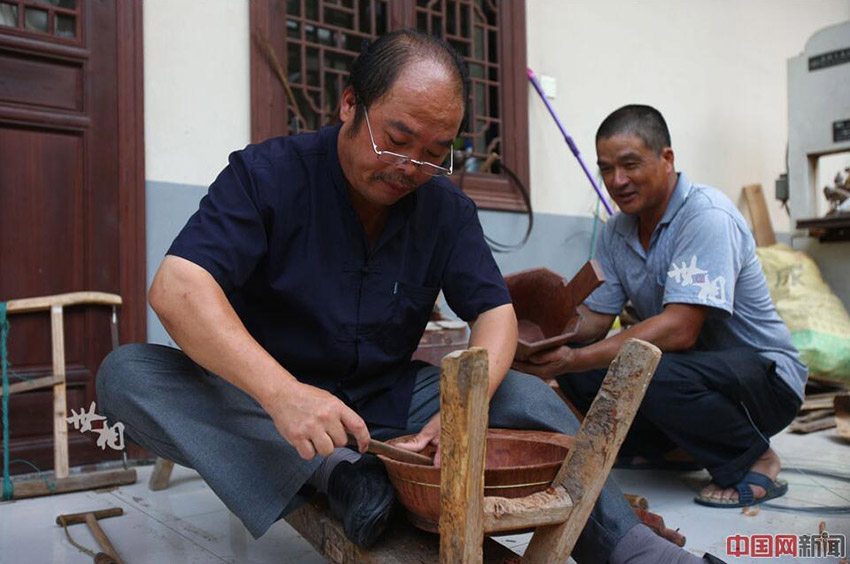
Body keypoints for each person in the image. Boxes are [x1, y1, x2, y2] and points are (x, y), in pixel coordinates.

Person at [97, 34, 715, 563]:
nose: (410, 165)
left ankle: (627, 546)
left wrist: (460, 410)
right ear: (349, 105)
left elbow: (495, 313)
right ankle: (336, 474)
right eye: (397, 139)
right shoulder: (267, 175)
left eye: (435, 152)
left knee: (527, 395)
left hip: (390, 405)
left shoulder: (443, 207)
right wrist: (282, 394)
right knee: (127, 375)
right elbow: (178, 287)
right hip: (268, 403)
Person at [514, 104, 807, 510]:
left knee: (640, 366)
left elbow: (680, 329)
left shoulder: (707, 216)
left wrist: (573, 358)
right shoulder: (618, 229)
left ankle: (757, 456)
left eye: (630, 164)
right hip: (697, 373)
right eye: (606, 169)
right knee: (586, 375)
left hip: (765, 381)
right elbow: (596, 319)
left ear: (666, 159)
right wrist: (537, 334)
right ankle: (677, 448)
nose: (617, 181)